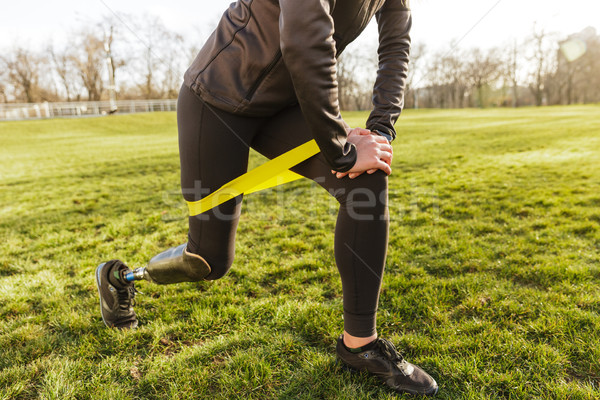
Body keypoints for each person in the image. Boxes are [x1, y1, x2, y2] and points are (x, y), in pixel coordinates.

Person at [95, 0, 438, 395]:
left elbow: (396, 44)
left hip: (288, 105)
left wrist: (380, 131)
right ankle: (120, 277)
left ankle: (359, 345)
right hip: (218, 99)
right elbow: (304, 39)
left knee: (366, 177)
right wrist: (341, 149)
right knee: (208, 260)